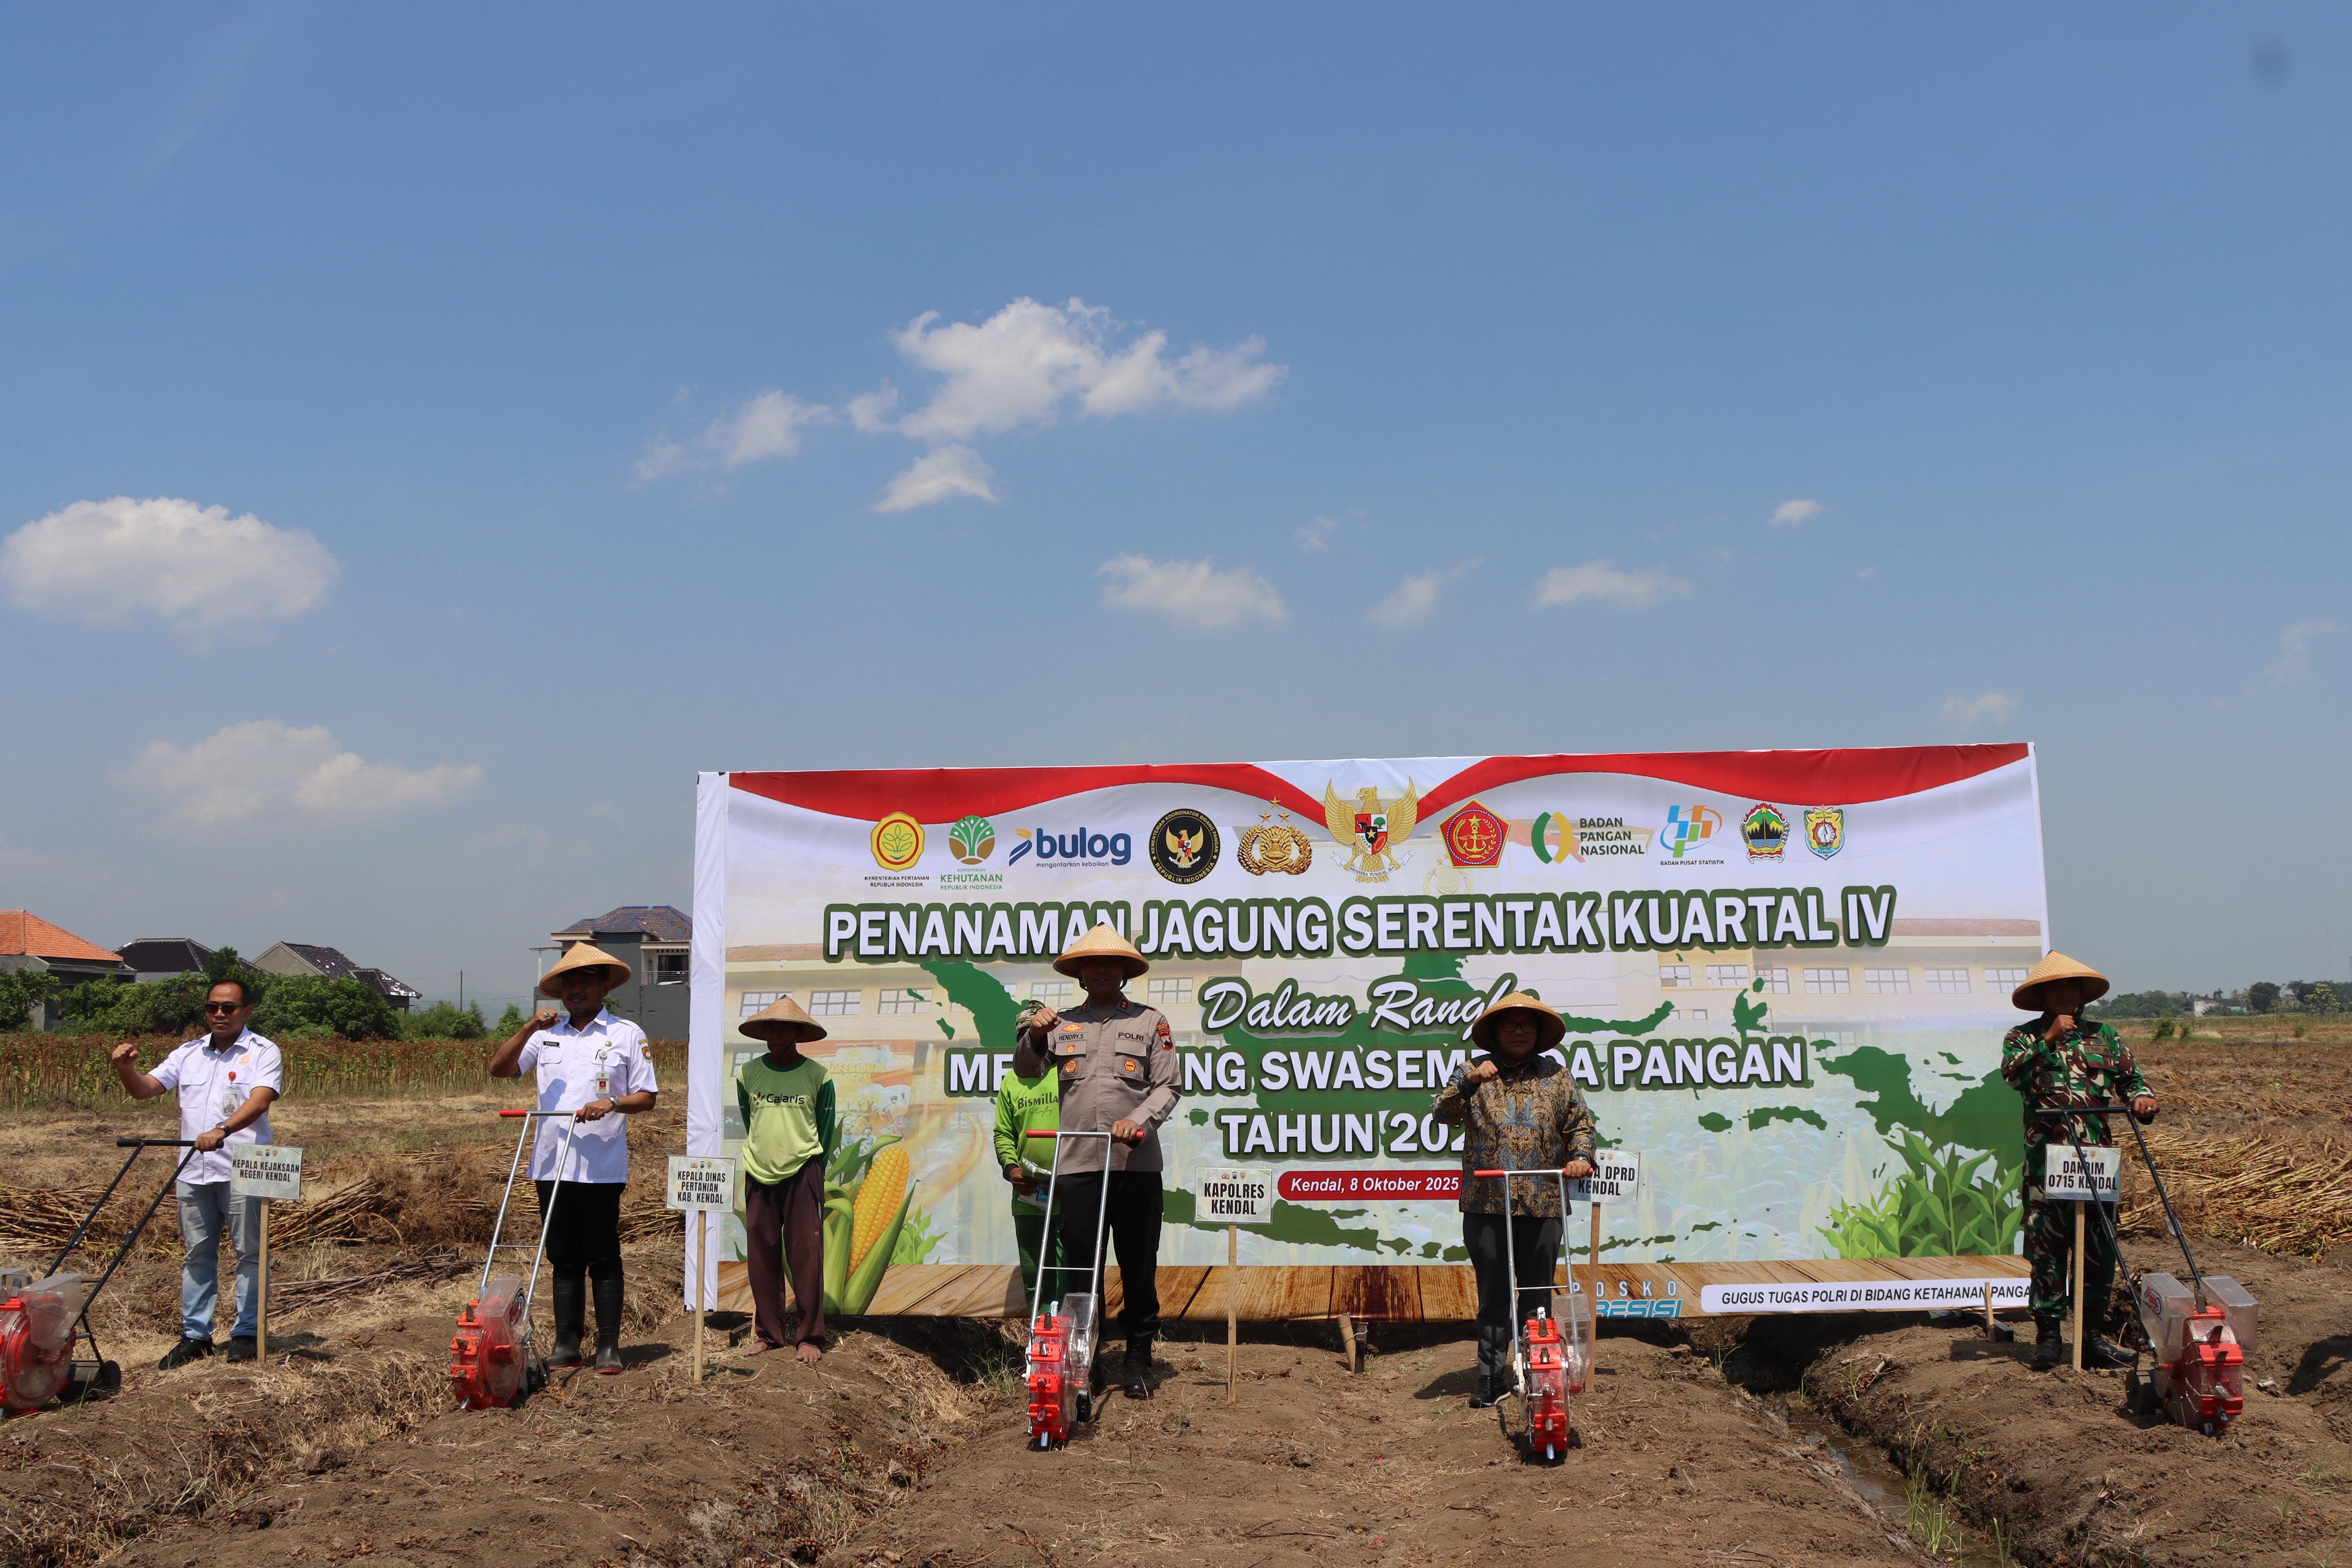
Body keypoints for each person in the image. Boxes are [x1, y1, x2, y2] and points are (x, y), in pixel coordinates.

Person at [1010, 924, 1180, 1400]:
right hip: (1080, 1164)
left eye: (1111, 964)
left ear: (1125, 972)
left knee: (1137, 1264)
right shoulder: (1059, 1023)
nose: (1101, 969)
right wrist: (1034, 1037)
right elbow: (1026, 1071)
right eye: (1091, 964)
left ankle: (1140, 1356)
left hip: (1136, 1165)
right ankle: (1086, 1358)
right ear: (1080, 974)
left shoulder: (1152, 1022)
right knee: (1082, 1267)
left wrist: (1139, 1121)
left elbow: (1169, 1086)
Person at [488, 942, 659, 1374]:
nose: (576, 989)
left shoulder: (625, 1033)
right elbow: (500, 1069)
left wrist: (613, 1104)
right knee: (563, 1256)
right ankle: (567, 1344)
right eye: (569, 983)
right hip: (551, 1163)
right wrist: (529, 1026)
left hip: (601, 1166)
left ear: (604, 985)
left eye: (585, 981)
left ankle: (608, 1347)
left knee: (603, 1255)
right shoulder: (546, 1036)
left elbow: (647, 1097)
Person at [1432, 991, 1596, 1409]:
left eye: (1527, 1024)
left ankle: (1537, 1371)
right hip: (1486, 1203)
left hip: (1543, 1202)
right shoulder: (1472, 1073)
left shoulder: (1557, 1076)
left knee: (1538, 1291)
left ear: (1538, 1033)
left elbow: (1581, 1125)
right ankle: (1491, 1377)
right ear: (1495, 1033)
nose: (1519, 1031)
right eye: (1510, 1024)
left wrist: (1580, 1158)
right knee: (1494, 1295)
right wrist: (1469, 1083)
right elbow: (1442, 1114)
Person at [110, 977, 284, 1368]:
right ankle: (195, 1335)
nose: (219, 1014)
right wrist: (126, 1070)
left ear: (246, 1012)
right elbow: (146, 1089)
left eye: (228, 1008)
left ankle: (246, 1333)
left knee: (250, 1254)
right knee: (197, 1254)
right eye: (212, 1008)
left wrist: (222, 1130)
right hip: (194, 1170)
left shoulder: (262, 1052)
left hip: (246, 1167)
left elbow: (259, 1101)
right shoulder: (188, 1054)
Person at [2000, 951, 2155, 1372]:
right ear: (2044, 995)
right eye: (2057, 986)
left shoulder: (2105, 1036)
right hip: (2046, 1162)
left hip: (2096, 1163)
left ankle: (2091, 1338)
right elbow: (2014, 1077)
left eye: (2072, 986)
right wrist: (2049, 1037)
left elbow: (2132, 1080)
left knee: (2098, 1250)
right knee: (2048, 1250)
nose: (2065, 992)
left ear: (2082, 994)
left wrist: (2142, 1097)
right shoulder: (2023, 1036)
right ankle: (2049, 1338)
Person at [734, 995, 836, 1362]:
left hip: (804, 1172)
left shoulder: (818, 1076)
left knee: (806, 1255)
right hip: (759, 1171)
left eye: (783, 1028)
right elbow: (752, 1121)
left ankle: (809, 1336)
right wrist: (766, 1154)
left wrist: (813, 1170)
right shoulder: (748, 1074)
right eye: (769, 1028)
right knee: (762, 1255)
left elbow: (825, 1131)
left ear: (797, 1032)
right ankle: (769, 1334)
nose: (775, 1034)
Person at [993, 1042, 1065, 1309]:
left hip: (1068, 1193)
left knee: (1069, 1271)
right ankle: (1040, 1337)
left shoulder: (1066, 1073)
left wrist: (1072, 1177)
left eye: (1039, 1035)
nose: (1033, 1041)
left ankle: (1069, 1337)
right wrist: (1011, 1169)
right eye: (1026, 1034)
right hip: (1029, 1198)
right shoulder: (1011, 1081)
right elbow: (1003, 1133)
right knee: (1035, 1275)